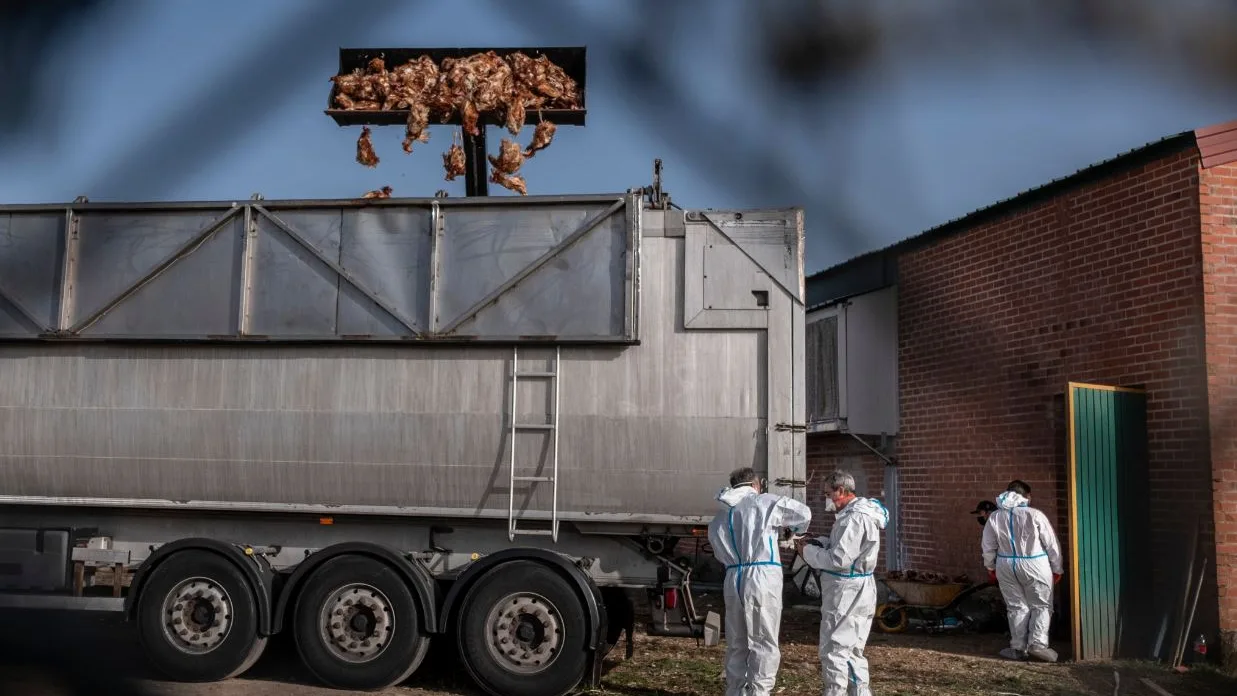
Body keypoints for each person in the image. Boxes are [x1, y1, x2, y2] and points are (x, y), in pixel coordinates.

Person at [708, 466, 812, 696]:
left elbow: (717, 549)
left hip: (733, 575)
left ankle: (735, 690)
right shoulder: (765, 502)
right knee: (763, 639)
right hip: (762, 574)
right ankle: (760, 691)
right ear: (756, 484)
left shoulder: (720, 515)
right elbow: (803, 513)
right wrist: (792, 530)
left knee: (737, 640)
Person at [796, 470, 888, 696]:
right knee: (852, 651)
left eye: (828, 494)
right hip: (858, 587)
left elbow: (838, 559)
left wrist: (806, 551)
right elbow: (845, 549)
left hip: (846, 591)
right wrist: (819, 542)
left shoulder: (853, 519)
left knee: (836, 650)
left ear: (842, 491)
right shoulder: (859, 515)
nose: (827, 499)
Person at [982, 479, 1064, 663]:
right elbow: (1052, 545)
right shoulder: (1035, 515)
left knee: (1016, 606)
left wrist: (990, 567)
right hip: (1035, 563)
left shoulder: (995, 517)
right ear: (1026, 496)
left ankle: (1018, 647)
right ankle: (1038, 645)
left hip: (1005, 564)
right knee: (1041, 605)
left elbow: (988, 546)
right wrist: (1057, 568)